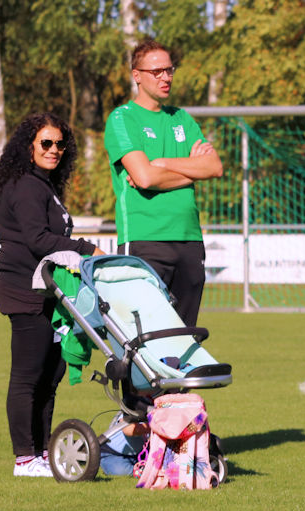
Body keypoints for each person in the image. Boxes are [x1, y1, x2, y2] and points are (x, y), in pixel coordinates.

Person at [0, 113, 105, 477]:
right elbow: (38, 240)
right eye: (46, 143)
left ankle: (42, 452)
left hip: (50, 291)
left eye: (60, 144)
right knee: (28, 375)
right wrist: (86, 249)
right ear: (28, 146)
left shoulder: (44, 185)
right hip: (24, 288)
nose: (54, 150)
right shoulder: (25, 185)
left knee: (50, 373)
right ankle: (25, 457)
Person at [104, 38, 222, 328]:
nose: (165, 77)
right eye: (157, 71)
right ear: (137, 75)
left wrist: (163, 164)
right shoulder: (122, 118)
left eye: (169, 70)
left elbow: (214, 167)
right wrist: (192, 171)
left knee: (184, 338)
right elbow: (143, 178)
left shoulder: (182, 118)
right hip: (146, 240)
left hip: (189, 240)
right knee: (143, 338)